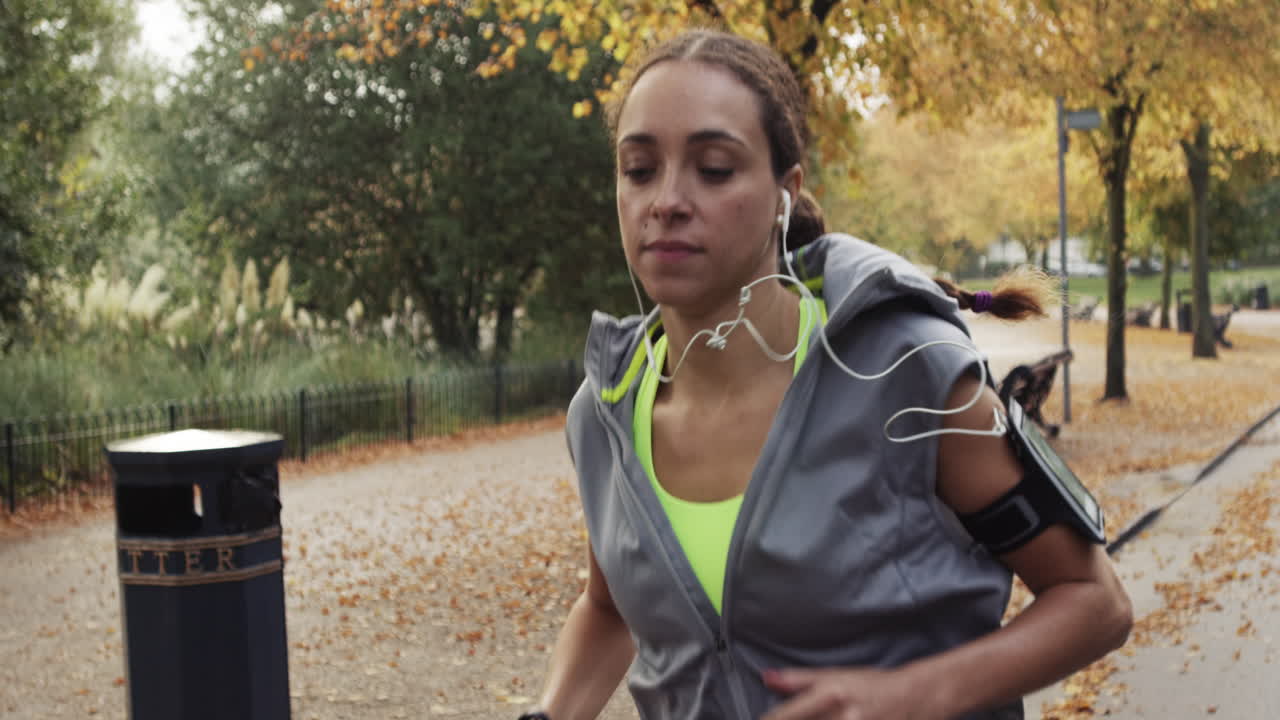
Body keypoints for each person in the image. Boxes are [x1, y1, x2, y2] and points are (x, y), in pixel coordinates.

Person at [520, 28, 1132, 720]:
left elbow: (1094, 601)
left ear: (786, 192)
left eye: (714, 168)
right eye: (638, 170)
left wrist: (912, 695)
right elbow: (608, 608)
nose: (666, 200)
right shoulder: (602, 411)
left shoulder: (909, 373)